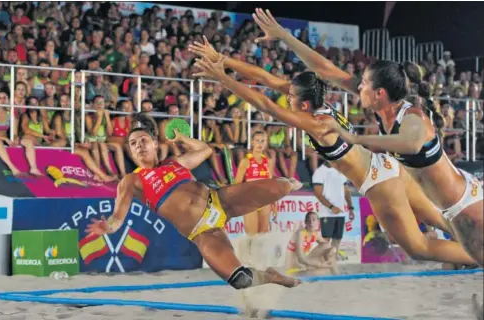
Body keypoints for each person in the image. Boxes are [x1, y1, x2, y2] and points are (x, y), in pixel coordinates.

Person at [189, 31, 476, 266]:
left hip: (377, 182)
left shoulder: (315, 123)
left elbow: (264, 103)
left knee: (419, 248)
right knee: (444, 221)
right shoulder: (321, 105)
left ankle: (474, 260)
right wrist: (222, 60)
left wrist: (222, 78)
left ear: (302, 105)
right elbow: (264, 79)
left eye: (289, 96)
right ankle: (472, 252)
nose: (285, 96)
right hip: (389, 167)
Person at [273, 9, 483, 266]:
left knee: (457, 254)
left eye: (364, 83)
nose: (358, 86)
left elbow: (410, 143)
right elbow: (325, 69)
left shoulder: (413, 117)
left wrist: (354, 138)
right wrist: (283, 35)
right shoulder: (383, 107)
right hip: (447, 203)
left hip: (462, 203)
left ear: (380, 92)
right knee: (428, 251)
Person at [86, 112, 302, 290]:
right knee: (241, 280)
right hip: (202, 232)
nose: (139, 146)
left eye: (143, 141)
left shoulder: (173, 163)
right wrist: (108, 227)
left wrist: (182, 139)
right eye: (133, 143)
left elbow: (205, 150)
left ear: (154, 143)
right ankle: (271, 276)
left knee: (283, 185)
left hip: (220, 202)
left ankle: (294, 183)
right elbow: (117, 218)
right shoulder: (132, 180)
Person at [235, 130, 276, 235]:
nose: (260, 143)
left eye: (263, 141)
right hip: (250, 201)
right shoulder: (246, 161)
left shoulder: (268, 161)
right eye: (257, 140)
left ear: (266, 143)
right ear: (252, 142)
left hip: (265, 201)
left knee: (262, 236)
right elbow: (237, 184)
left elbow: (271, 184)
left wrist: (275, 205)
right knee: (252, 237)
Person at [312, 161, 355, 255]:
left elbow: (346, 191)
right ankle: (314, 261)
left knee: (337, 241)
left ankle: (331, 264)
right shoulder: (319, 172)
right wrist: (331, 207)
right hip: (327, 212)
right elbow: (318, 194)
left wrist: (350, 207)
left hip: (341, 212)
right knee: (325, 241)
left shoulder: (341, 171)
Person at [285, 211, 338, 276]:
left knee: (328, 248)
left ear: (318, 222)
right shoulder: (300, 233)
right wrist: (320, 265)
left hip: (304, 263)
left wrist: (334, 250)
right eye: (308, 220)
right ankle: (335, 274)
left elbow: (327, 247)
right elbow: (301, 258)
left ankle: (337, 275)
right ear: (305, 222)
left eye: (313, 220)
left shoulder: (315, 234)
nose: (311, 223)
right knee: (321, 271)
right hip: (294, 266)